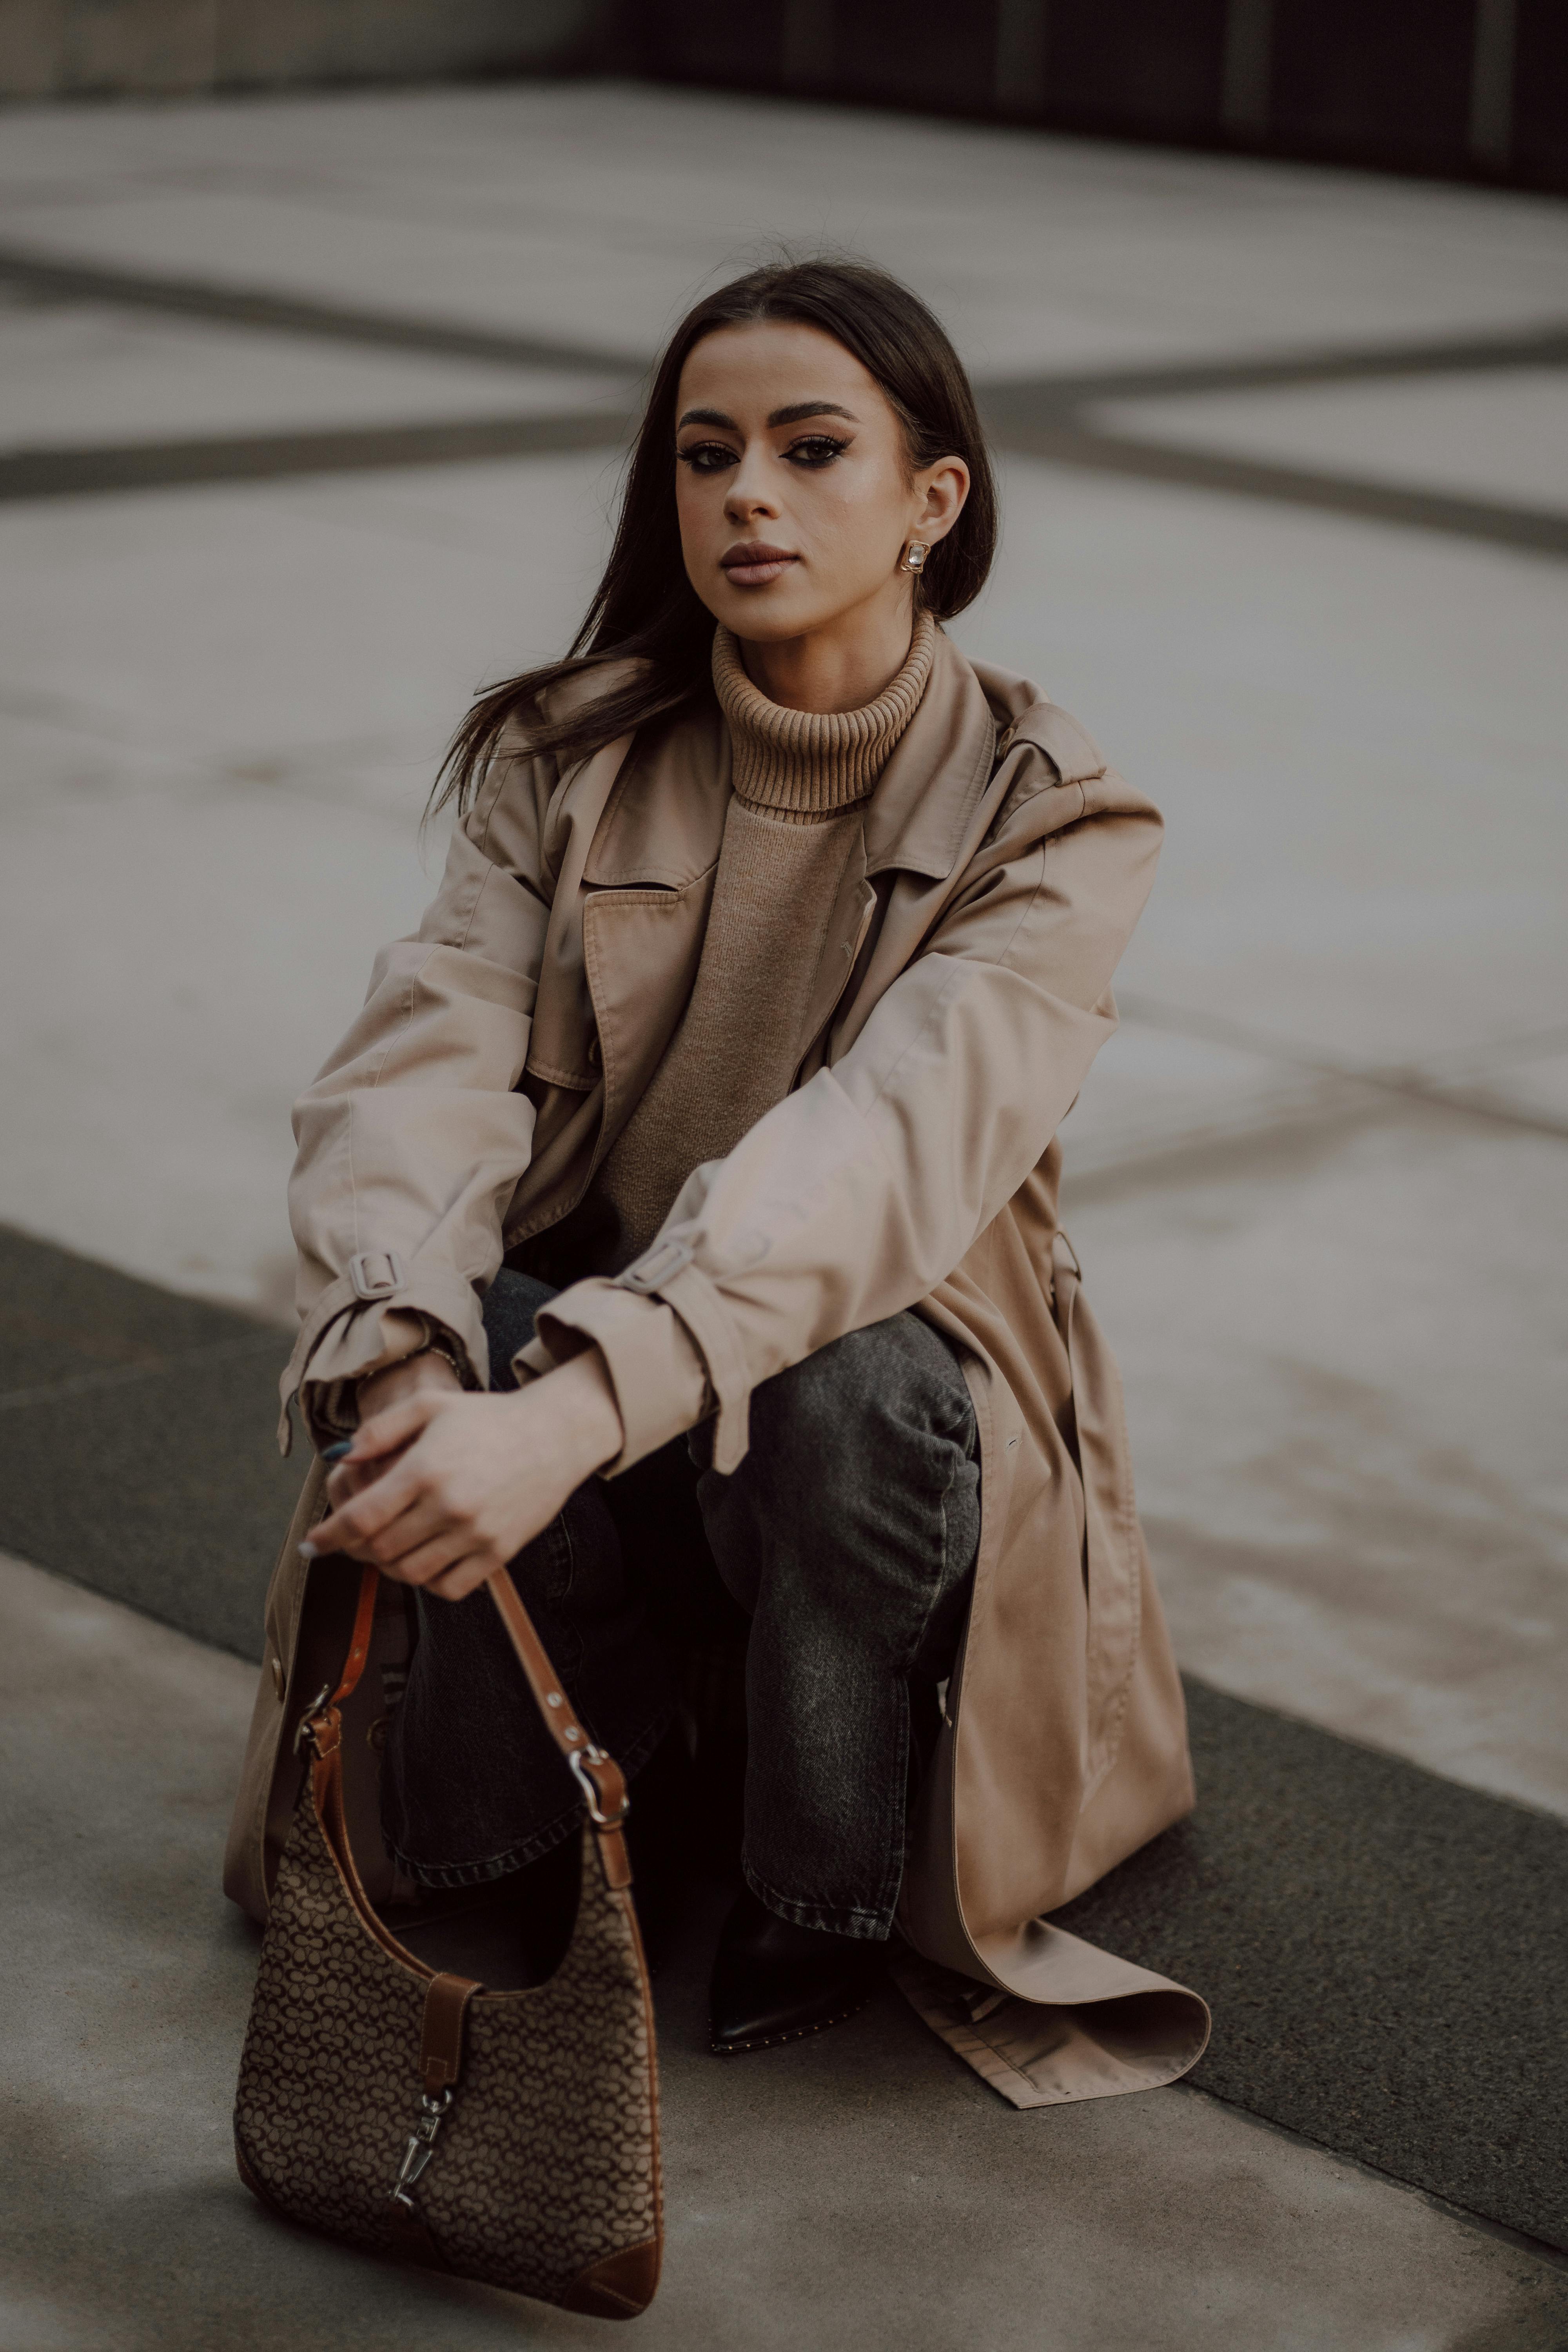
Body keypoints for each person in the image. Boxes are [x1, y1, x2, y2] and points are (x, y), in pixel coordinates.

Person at [241, 258, 1203, 2090]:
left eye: (809, 447)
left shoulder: (1055, 813)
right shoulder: (571, 753)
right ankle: (530, 1824)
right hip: (591, 1392)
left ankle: (816, 1883)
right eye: (704, 454)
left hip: (853, 1391)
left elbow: (885, 1148)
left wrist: (587, 1398)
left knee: (837, 1372)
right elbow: (422, 1057)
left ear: (936, 502)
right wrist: (412, 1351)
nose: (744, 494)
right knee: (442, 1341)